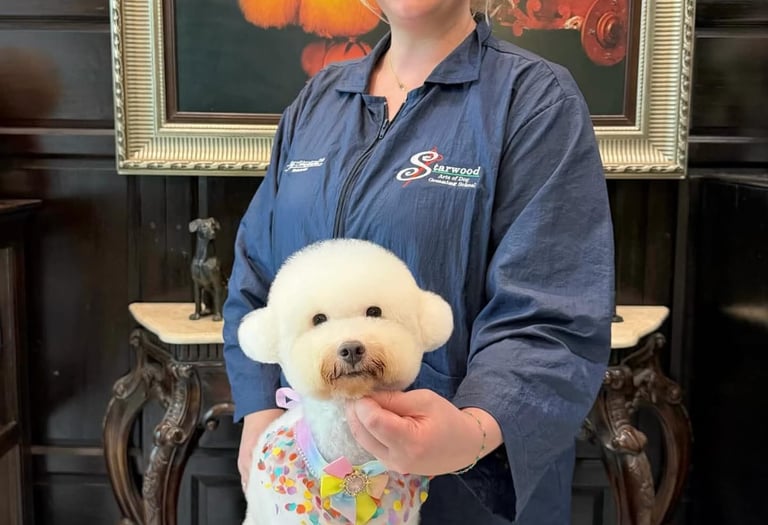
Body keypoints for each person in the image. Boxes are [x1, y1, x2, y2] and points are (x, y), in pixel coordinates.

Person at [223, 0, 614, 523]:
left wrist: (472, 432)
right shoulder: (319, 100)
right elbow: (257, 271)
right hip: (311, 486)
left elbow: (551, 308)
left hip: (464, 488)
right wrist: (261, 413)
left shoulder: (534, 99)